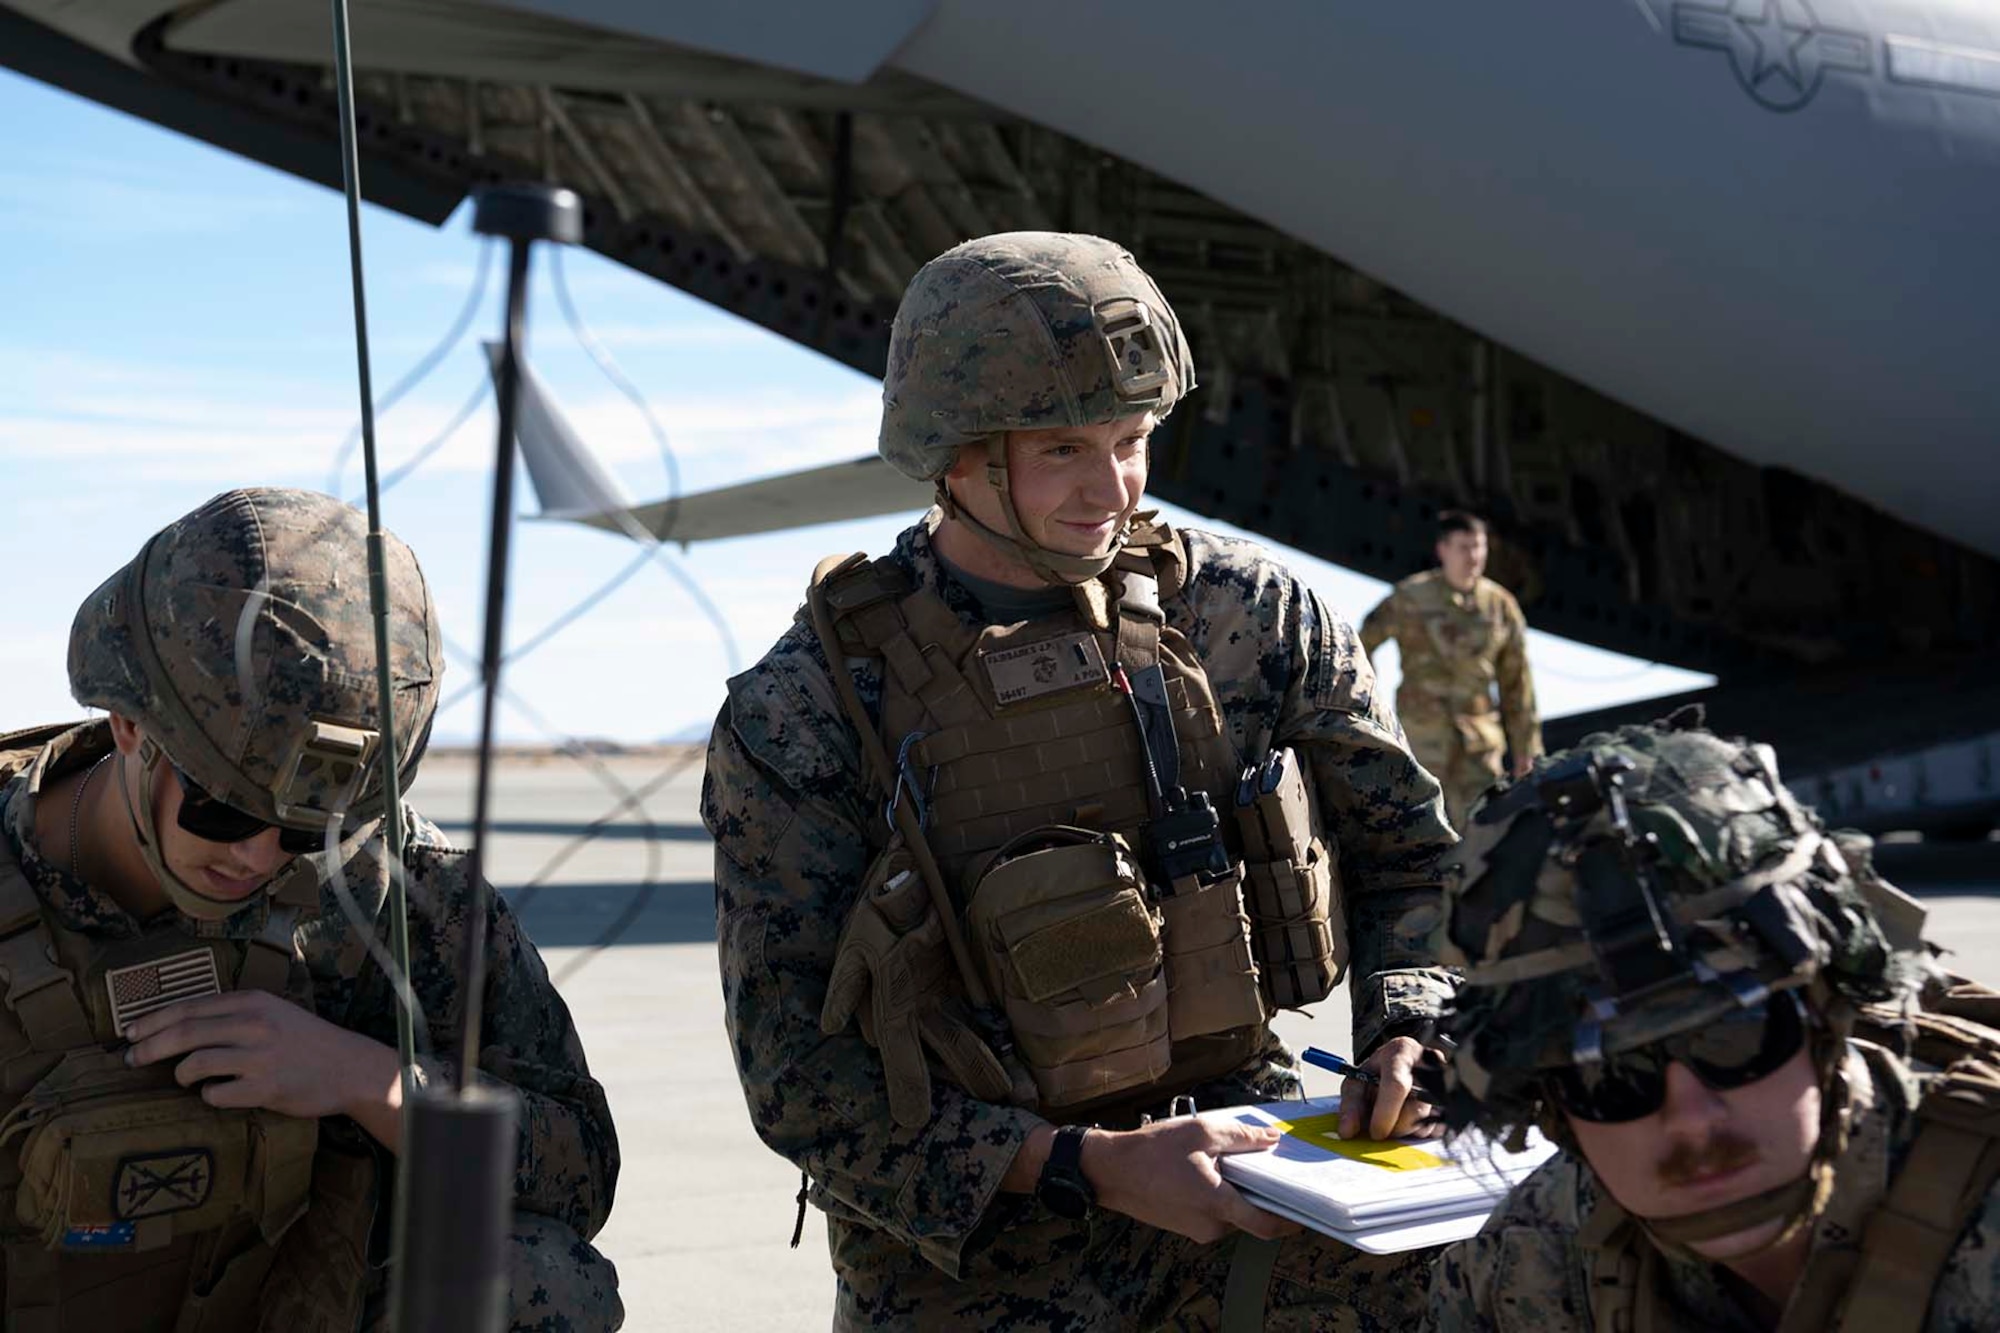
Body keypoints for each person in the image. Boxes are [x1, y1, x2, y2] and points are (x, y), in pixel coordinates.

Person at [704, 231, 1462, 1330]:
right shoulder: (812, 704)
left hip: (1261, 1178)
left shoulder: (1245, 614)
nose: (1107, 489)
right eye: (1061, 449)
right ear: (951, 453)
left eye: (1132, 439)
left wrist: (1410, 1029)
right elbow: (796, 1073)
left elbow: (1409, 853)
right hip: (985, 1246)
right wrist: (1090, 1166)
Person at [0, 488, 622, 1329]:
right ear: (129, 726)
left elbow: (576, 1169)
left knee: (534, 1279)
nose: (257, 856)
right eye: (222, 810)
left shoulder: (386, 886)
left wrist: (366, 1079)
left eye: (307, 825)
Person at [1426, 710, 2000, 1331]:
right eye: (1611, 1074)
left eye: (1735, 1036)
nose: (1694, 1121)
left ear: (1825, 1017)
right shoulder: (1528, 1270)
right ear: (1555, 1113)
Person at [1358, 512, 1540, 830]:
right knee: (1422, 835)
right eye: (1464, 547)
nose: (1474, 556)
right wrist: (1373, 711)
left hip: (1479, 750)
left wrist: (1527, 750)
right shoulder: (1410, 597)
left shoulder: (1500, 606)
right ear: (1443, 550)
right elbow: (1361, 644)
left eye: (1479, 547)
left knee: (1484, 836)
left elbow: (1517, 684)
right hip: (1423, 744)